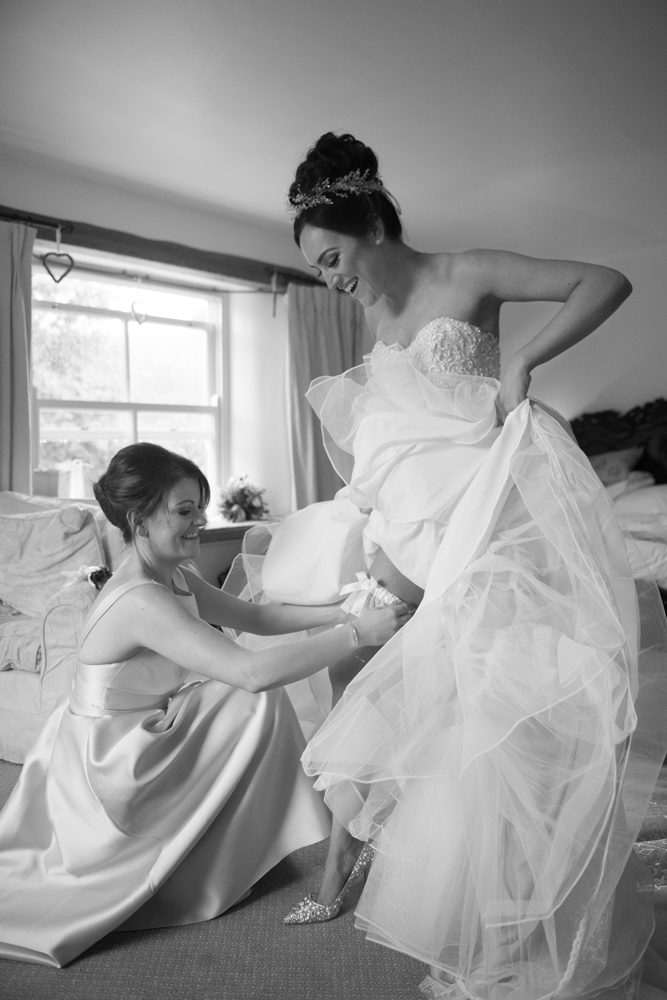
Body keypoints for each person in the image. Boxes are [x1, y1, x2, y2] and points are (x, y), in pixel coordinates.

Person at [242, 132, 667, 999]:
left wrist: (520, 358)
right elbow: (401, 434)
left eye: (331, 258)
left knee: (507, 712)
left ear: (368, 223)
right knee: (438, 720)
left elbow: (605, 281)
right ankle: (478, 921)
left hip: (496, 521)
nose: (329, 278)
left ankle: (543, 931)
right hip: (422, 534)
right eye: (317, 269)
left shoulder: (465, 270)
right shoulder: (370, 314)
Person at [0, 442, 409, 968]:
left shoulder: (169, 575)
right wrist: (356, 632)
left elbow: (257, 619)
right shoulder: (140, 598)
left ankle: (224, 834)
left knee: (241, 696)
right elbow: (252, 671)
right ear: (138, 520)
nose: (198, 522)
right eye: (184, 511)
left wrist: (353, 604)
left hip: (138, 730)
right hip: (103, 765)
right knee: (250, 694)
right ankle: (198, 846)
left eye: (200, 507)